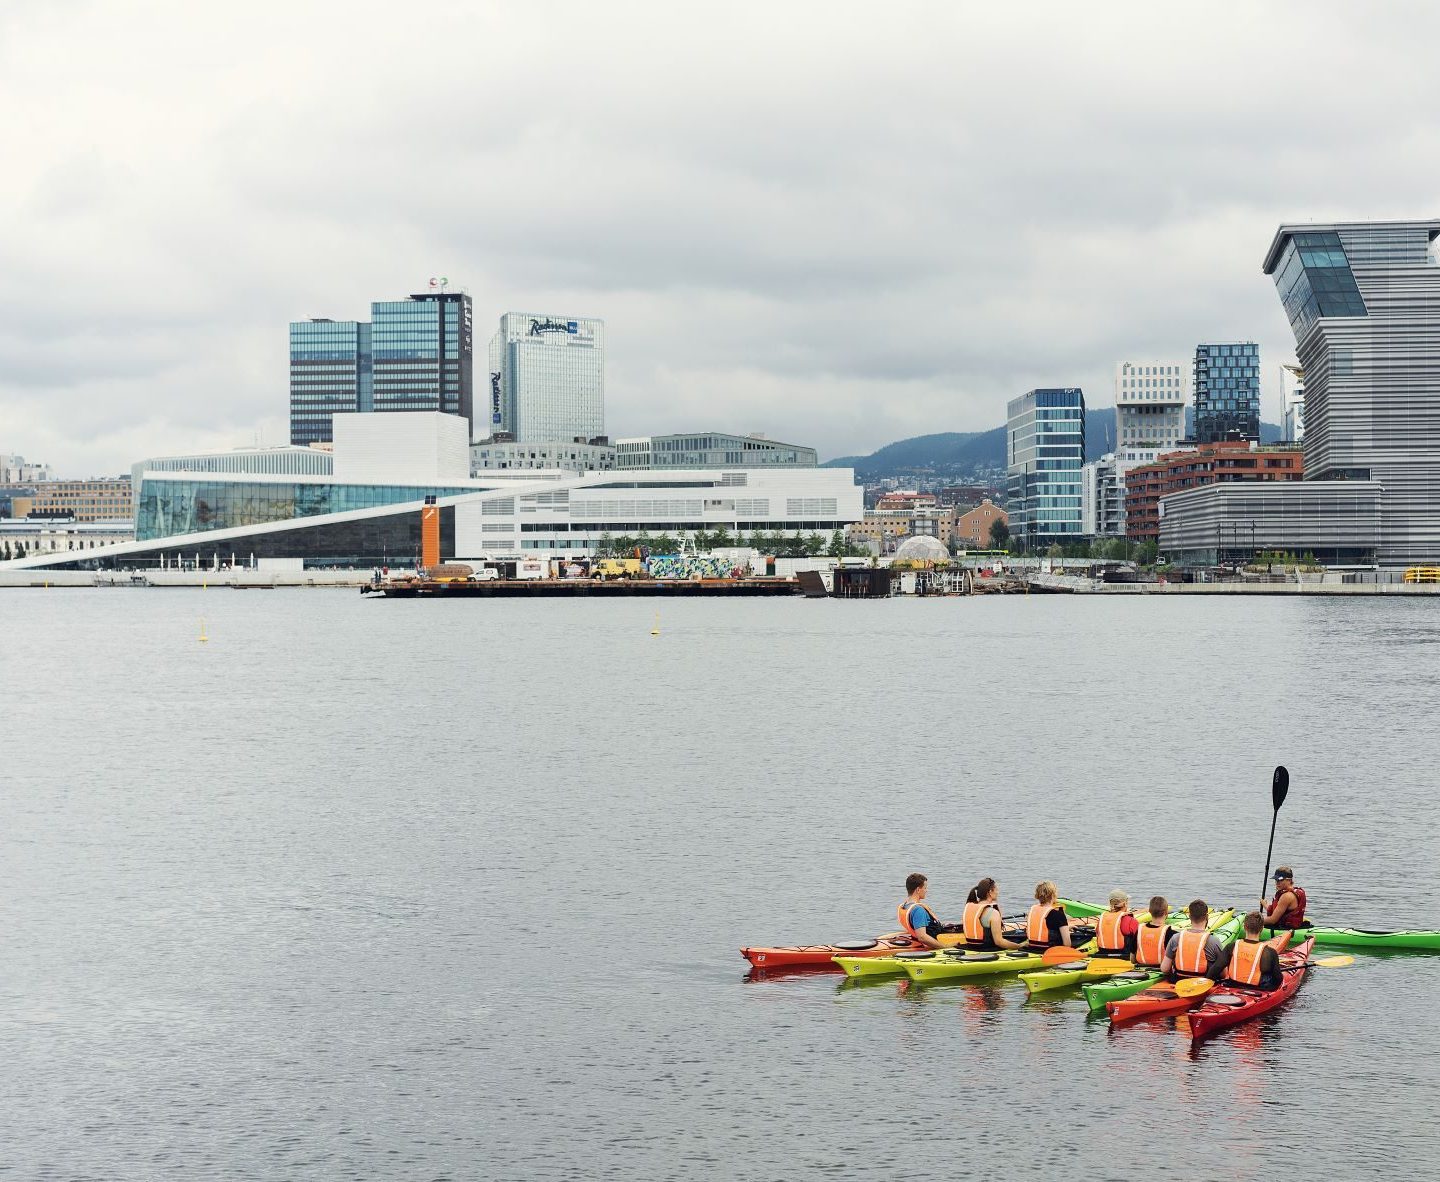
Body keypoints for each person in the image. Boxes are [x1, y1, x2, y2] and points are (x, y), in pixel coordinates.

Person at [1160, 899, 1227, 981]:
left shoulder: (1175, 938)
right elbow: (1223, 974)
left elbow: (1165, 968)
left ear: (1190, 917)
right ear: (1207, 917)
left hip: (1179, 981)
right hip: (1202, 985)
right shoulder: (1213, 941)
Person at [897, 873, 964, 949]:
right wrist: (945, 947)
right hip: (935, 940)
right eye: (925, 888)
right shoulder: (918, 910)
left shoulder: (905, 906)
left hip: (935, 932)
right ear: (918, 890)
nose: (926, 891)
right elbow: (922, 937)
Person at [1220, 911, 1283, 991]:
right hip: (1259, 990)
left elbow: (1215, 969)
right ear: (1262, 928)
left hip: (1233, 985)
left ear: (1244, 926)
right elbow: (1278, 980)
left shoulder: (1231, 947)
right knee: (1269, 975)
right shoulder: (1270, 952)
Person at [962, 878, 1025, 950]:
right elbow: (999, 942)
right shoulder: (993, 913)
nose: (998, 892)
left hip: (971, 946)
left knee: (1015, 933)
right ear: (990, 892)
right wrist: (1020, 946)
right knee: (1022, 937)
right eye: (996, 890)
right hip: (986, 948)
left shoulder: (971, 908)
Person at [1025, 881, 1085, 950]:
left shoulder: (1032, 911)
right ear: (1053, 895)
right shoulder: (1058, 914)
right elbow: (1067, 944)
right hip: (1050, 951)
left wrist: (1066, 928)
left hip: (1032, 948)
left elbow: (1044, 927)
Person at [1133, 895, 1177, 969]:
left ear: (1149, 911)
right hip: (1161, 970)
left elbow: (1132, 959)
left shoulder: (1139, 930)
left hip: (1140, 967)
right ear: (1166, 912)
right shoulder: (1172, 934)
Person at [1095, 889, 1140, 958]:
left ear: (1110, 903)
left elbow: (1097, 933)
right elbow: (1139, 940)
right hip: (1124, 956)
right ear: (1125, 903)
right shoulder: (1130, 921)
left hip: (1103, 954)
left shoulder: (1101, 919)